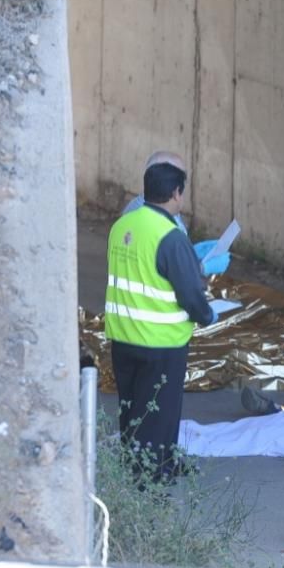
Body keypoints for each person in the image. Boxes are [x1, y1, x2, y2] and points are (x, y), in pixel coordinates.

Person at [105, 161, 215, 484]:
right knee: (158, 416)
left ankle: (133, 470)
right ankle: (152, 484)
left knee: (131, 411)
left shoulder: (121, 227)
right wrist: (208, 314)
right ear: (176, 194)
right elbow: (190, 294)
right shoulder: (170, 236)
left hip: (123, 339)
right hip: (161, 343)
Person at [123, 151, 230, 277]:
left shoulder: (139, 209)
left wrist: (188, 253)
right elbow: (169, 272)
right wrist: (200, 268)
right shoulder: (161, 223)